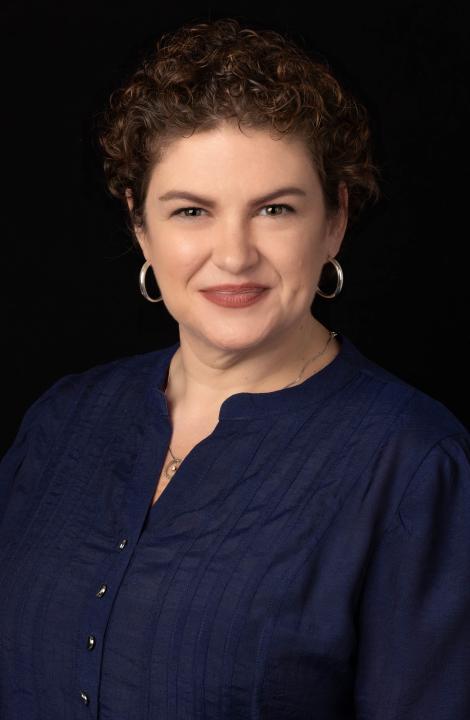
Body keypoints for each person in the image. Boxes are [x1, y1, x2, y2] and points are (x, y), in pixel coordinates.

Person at [0, 17, 469, 720]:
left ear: (334, 220)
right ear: (139, 224)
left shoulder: (414, 467)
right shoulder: (61, 420)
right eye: (191, 211)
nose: (233, 255)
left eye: (275, 209)